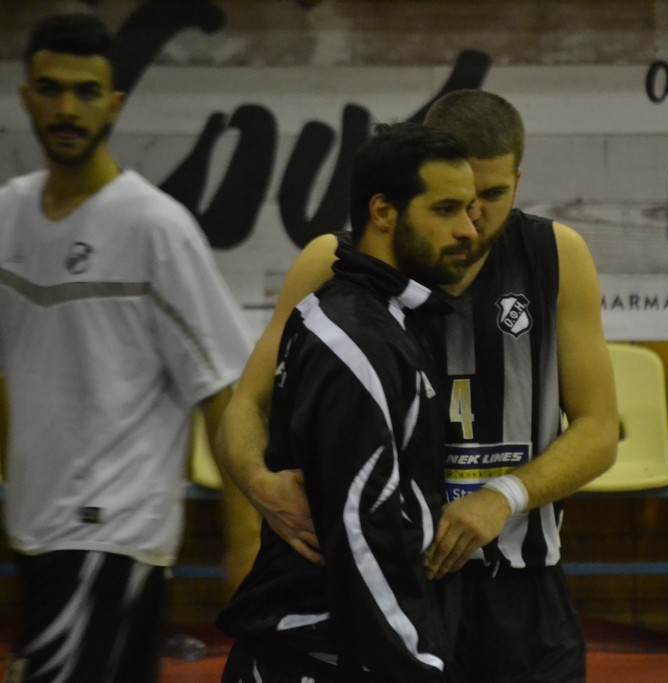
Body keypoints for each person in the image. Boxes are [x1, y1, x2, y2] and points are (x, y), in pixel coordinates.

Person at [214, 89, 619, 682]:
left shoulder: (556, 255)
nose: (473, 221)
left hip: (519, 583)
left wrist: (502, 496)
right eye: (453, 202)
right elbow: (246, 405)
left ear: (517, 181)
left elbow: (599, 431)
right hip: (399, 580)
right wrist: (259, 484)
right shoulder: (336, 264)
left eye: (491, 196)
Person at [0, 13, 252, 682]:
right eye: (51, 89)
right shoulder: (8, 215)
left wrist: (246, 541)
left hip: (110, 533)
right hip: (36, 530)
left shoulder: (154, 227)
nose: (67, 108)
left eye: (86, 92)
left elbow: (225, 390)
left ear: (114, 104)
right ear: (26, 98)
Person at [217, 121, 480, 681]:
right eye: (446, 209)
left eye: (470, 210)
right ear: (383, 212)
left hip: (332, 646)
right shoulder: (357, 341)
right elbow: (363, 530)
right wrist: (416, 666)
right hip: (322, 652)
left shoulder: (380, 317)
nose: (468, 230)